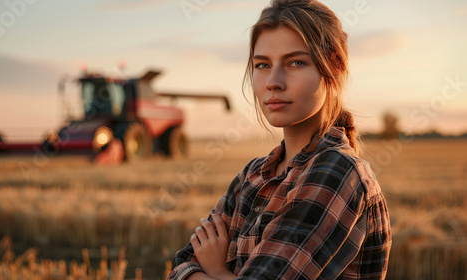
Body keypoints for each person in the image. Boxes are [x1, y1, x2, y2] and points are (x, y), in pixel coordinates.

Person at [167, 0, 392, 279]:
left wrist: (215, 270)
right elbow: (180, 266)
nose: (273, 81)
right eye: (262, 64)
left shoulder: (336, 172)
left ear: (333, 67)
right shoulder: (251, 175)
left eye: (295, 62)